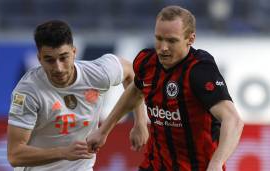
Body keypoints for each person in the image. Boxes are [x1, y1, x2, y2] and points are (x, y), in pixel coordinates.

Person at [87, 5, 244, 171]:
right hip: (154, 165)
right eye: (159, 38)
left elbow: (233, 120)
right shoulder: (147, 62)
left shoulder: (199, 71)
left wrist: (216, 163)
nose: (163, 48)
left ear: (190, 39)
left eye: (172, 41)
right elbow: (135, 90)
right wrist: (105, 130)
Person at [7, 20, 148, 171]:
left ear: (74, 52)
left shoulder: (98, 73)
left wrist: (140, 121)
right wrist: (63, 152)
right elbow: (15, 155)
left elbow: (131, 74)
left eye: (63, 57)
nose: (58, 68)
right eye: (49, 60)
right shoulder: (28, 92)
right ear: (39, 58)